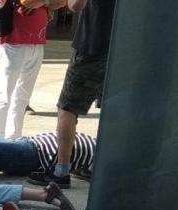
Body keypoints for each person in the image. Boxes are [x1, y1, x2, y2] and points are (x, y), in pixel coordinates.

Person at [30, 0, 116, 188]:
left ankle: (61, 171)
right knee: (112, 108)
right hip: (122, 50)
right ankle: (96, 166)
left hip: (92, 46)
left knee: (67, 108)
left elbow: (76, 5)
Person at [0, 0, 65, 140]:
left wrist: (42, 2)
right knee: (5, 94)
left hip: (37, 43)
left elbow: (61, 2)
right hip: (14, 42)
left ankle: (14, 137)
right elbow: (27, 2)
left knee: (23, 96)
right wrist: (47, 4)